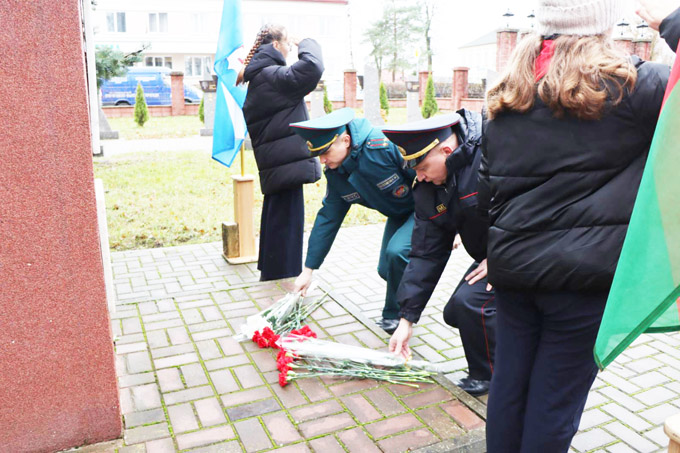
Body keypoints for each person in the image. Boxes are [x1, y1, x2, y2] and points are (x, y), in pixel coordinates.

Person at [478, 0, 677, 451]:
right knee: (553, 403)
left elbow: (485, 189)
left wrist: (488, 253)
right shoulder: (633, 87)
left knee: (509, 391)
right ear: (603, 25)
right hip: (581, 284)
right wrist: (671, 23)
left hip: (513, 275)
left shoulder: (510, 90)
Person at [385, 112, 495, 396]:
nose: (418, 176)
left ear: (447, 151)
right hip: (490, 257)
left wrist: (503, 254)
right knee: (456, 311)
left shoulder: (492, 151)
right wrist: (406, 319)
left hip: (525, 250)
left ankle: (493, 376)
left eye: (422, 167)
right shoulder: (428, 188)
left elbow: (528, 205)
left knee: (472, 304)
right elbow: (426, 253)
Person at [290, 108, 415, 334]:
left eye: (325, 152)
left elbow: (427, 177)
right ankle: (401, 308)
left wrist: (451, 224)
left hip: (425, 209)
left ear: (345, 140)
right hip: (399, 213)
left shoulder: (383, 146)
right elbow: (328, 219)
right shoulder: (337, 173)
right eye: (318, 155)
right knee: (386, 269)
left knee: (397, 253)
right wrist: (308, 270)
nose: (322, 160)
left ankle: (398, 316)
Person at [239, 25, 323, 281]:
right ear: (275, 45)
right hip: (286, 164)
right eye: (287, 44)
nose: (289, 49)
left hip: (278, 164)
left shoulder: (260, 77)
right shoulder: (273, 76)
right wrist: (305, 41)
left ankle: (274, 275)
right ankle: (282, 280)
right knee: (286, 226)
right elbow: (313, 68)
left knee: (276, 220)